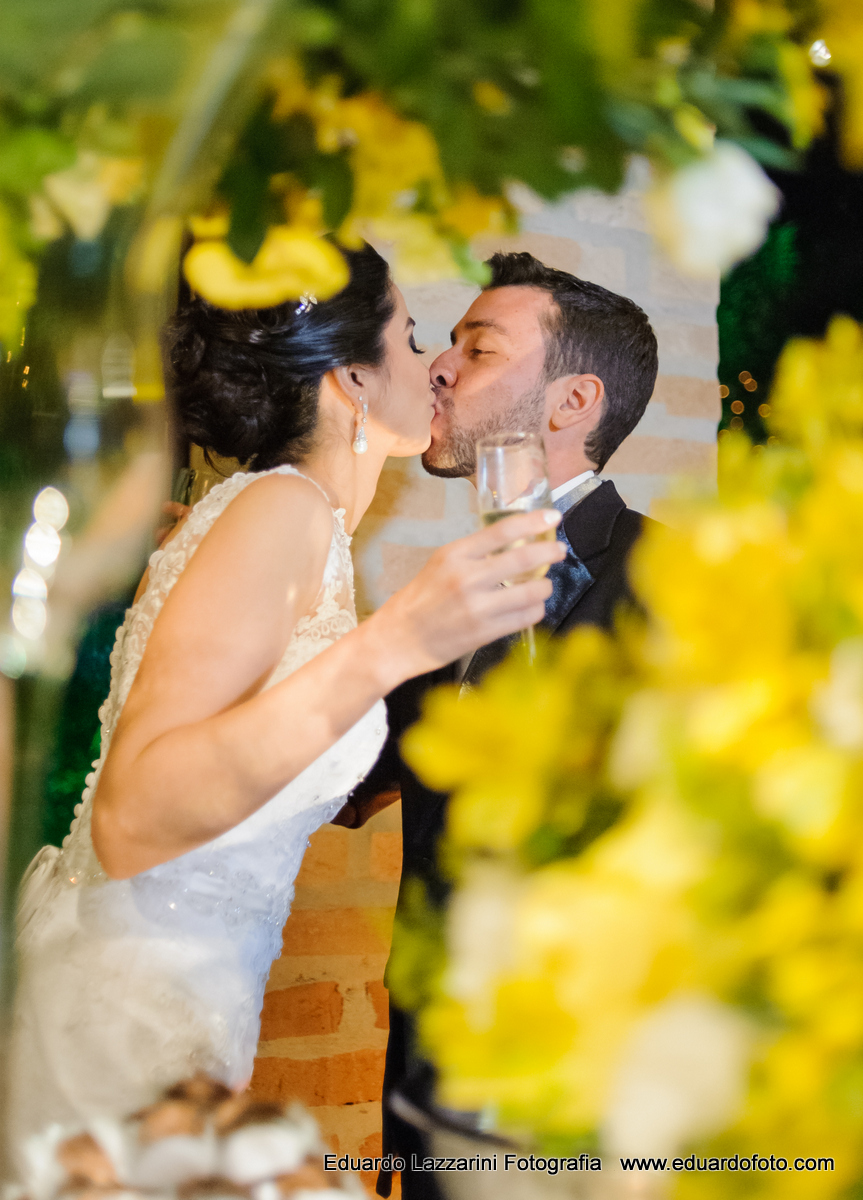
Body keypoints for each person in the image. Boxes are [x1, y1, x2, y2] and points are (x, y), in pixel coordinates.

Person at [6, 244, 566, 1164]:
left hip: (188, 1002)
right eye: (413, 334)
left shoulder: (280, 518)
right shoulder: (283, 511)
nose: (433, 364)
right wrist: (398, 642)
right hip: (127, 1016)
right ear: (350, 375)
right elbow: (133, 815)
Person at [334, 251, 660, 1199]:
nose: (437, 365)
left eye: (477, 349)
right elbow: (337, 782)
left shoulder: (679, 586)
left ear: (571, 404)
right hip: (428, 1098)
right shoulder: (437, 609)